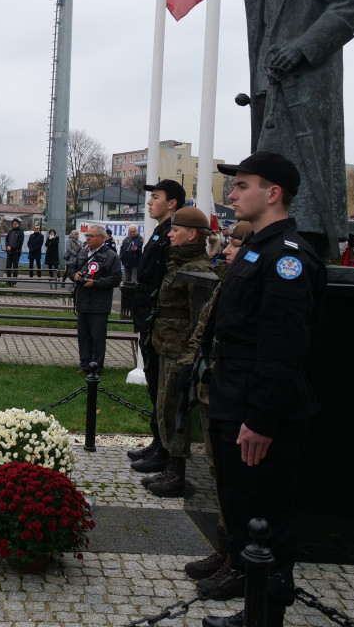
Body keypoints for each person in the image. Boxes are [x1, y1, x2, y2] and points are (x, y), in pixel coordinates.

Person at [199, 153, 325, 627]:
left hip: (260, 410)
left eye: (241, 186)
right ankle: (252, 597)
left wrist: (262, 420)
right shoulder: (257, 247)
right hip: (235, 398)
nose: (231, 195)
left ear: (273, 194)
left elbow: (283, 346)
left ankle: (265, 613)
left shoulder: (287, 256)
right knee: (241, 506)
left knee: (264, 515)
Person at [241, 0, 354, 260]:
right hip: (273, 86)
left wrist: (301, 49)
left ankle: (307, 242)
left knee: (303, 174)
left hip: (304, 84)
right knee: (273, 168)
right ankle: (276, 235)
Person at [178, 220, 252, 602]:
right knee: (218, 473)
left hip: (232, 393)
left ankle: (235, 560)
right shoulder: (228, 277)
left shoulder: (249, 275)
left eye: (233, 245)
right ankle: (226, 551)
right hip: (212, 387)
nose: (224, 250)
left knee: (233, 483)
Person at [144, 207, 216, 498]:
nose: (170, 234)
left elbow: (201, 319)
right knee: (164, 408)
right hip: (167, 347)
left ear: (192, 234)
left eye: (175, 230)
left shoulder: (198, 269)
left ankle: (177, 473)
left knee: (175, 412)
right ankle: (170, 466)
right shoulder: (179, 264)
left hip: (181, 354)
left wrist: (189, 358)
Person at [128, 179, 187, 475]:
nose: (150, 202)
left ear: (172, 202)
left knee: (163, 388)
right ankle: (157, 442)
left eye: (156, 197)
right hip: (149, 320)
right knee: (155, 384)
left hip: (160, 322)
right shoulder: (160, 233)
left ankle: (164, 449)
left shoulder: (171, 235)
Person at [70, 224, 122, 374]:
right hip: (83, 301)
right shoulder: (83, 251)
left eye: (91, 236)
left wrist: (97, 283)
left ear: (101, 238)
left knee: (98, 337)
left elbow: (116, 279)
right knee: (83, 335)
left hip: (100, 303)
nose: (88, 239)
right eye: (87, 236)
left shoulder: (111, 256)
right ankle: (84, 364)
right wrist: (75, 275)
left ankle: (97, 366)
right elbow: (71, 267)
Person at [5, 218, 24, 283]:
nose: (14, 224)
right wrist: (7, 246)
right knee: (8, 266)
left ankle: (14, 281)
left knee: (15, 267)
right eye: (13, 223)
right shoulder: (10, 231)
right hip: (9, 252)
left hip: (16, 252)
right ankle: (8, 281)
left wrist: (12, 247)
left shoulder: (21, 232)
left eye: (15, 223)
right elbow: (7, 240)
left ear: (18, 224)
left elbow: (20, 243)